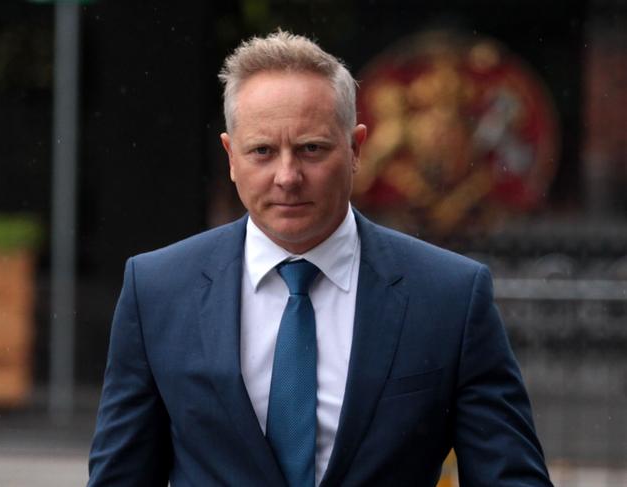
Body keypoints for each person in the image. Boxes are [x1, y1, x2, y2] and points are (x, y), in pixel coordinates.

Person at [88, 30, 552, 486]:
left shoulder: (449, 297)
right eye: (263, 151)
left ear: (356, 150)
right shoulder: (157, 291)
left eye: (311, 149)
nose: (287, 176)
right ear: (231, 157)